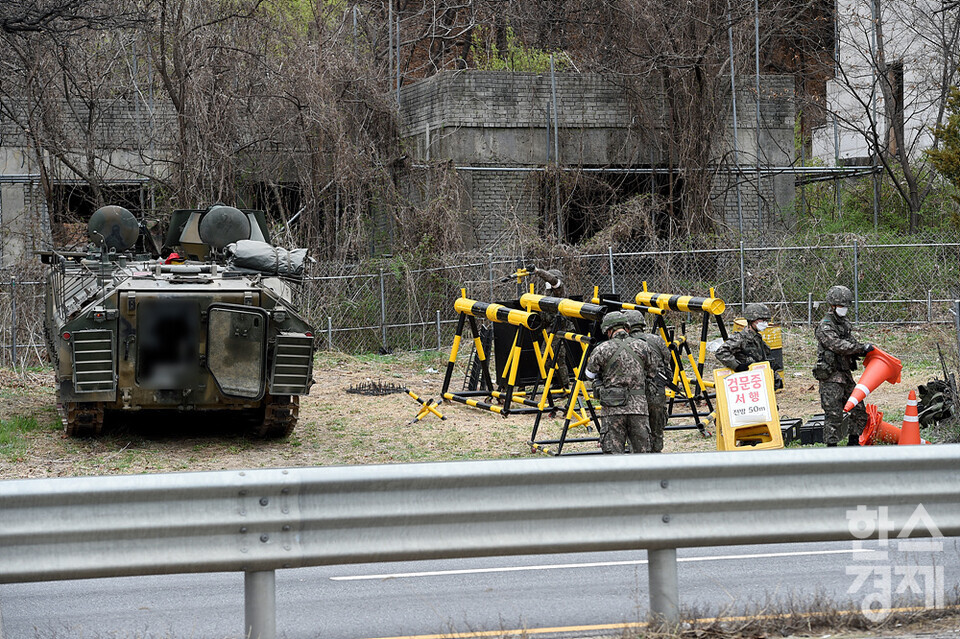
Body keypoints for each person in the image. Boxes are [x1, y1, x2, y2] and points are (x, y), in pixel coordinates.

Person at [585, 311, 658, 454]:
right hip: (639, 409)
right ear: (627, 328)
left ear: (608, 330)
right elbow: (652, 372)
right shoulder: (643, 346)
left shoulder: (601, 349)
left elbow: (589, 374)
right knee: (642, 456)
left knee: (614, 457)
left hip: (612, 410)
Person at [814, 285, 873, 447]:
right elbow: (837, 345)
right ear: (832, 306)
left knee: (859, 410)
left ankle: (853, 444)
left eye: (846, 306)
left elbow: (850, 341)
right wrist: (860, 348)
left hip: (845, 374)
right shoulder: (825, 326)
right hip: (831, 376)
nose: (844, 309)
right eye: (841, 306)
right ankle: (831, 449)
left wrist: (865, 349)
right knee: (834, 415)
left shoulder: (844, 323)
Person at [624, 309, 671, 453]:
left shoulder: (624, 343)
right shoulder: (656, 339)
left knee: (636, 435)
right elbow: (667, 360)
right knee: (657, 431)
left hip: (635, 395)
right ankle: (657, 459)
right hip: (657, 391)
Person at [715, 303, 782, 382]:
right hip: (746, 379)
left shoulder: (757, 337)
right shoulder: (740, 338)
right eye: (762, 320)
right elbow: (721, 352)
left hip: (757, 378)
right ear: (752, 320)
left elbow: (764, 360)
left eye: (766, 320)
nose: (765, 323)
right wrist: (737, 366)